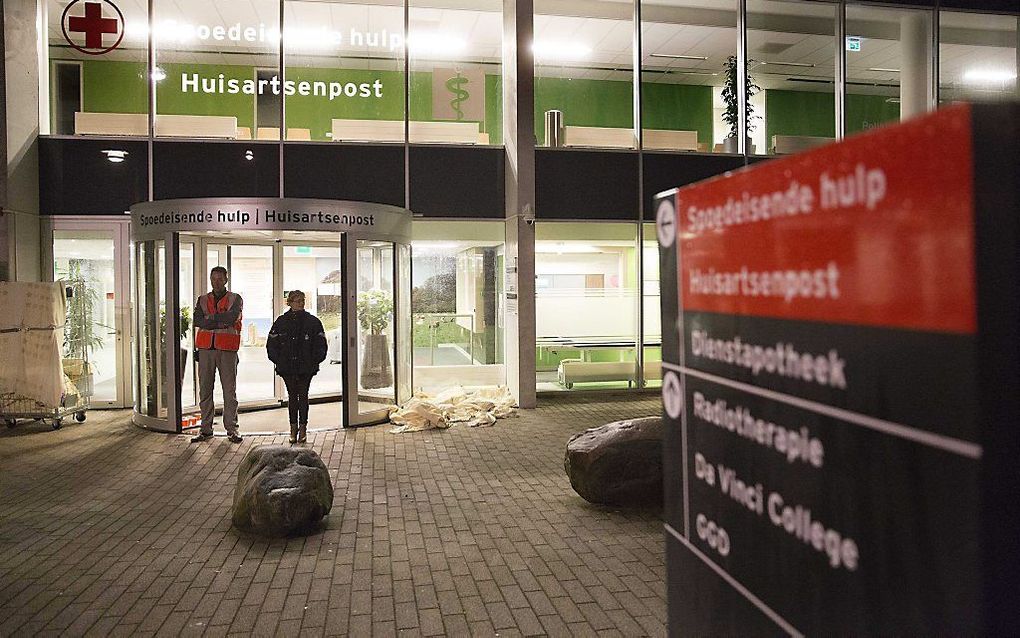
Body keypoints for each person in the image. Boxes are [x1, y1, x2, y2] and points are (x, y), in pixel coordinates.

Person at [191, 266, 244, 443]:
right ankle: (205, 429)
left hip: (227, 349)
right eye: (213, 278)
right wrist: (218, 322)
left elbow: (231, 318)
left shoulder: (235, 299)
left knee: (229, 390)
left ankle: (232, 429)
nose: (216, 282)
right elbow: (198, 321)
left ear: (226, 280)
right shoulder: (203, 299)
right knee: (205, 389)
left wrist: (210, 320)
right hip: (206, 349)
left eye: (220, 279)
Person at [267, 290, 327, 444]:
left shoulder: (312, 322)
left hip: (305, 368)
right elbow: (271, 345)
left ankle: (303, 429)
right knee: (292, 397)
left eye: (302, 300)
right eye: (297, 300)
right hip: (287, 367)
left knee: (303, 396)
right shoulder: (281, 322)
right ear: (290, 303)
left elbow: (321, 345)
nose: (301, 303)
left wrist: (314, 361)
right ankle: (293, 429)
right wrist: (279, 361)